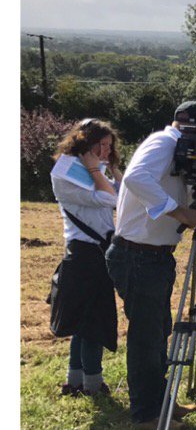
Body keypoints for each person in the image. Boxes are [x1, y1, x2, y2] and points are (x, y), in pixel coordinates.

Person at [105, 101, 196, 430]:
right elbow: (135, 177)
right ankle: (147, 415)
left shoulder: (178, 150)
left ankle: (162, 402)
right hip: (138, 255)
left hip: (154, 256)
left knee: (158, 331)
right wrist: (180, 213)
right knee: (147, 338)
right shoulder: (164, 142)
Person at [49, 119, 123, 397]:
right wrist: (96, 171)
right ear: (83, 144)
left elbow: (122, 192)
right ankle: (93, 384)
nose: (105, 151)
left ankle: (75, 380)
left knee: (85, 322)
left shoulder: (98, 171)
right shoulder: (66, 174)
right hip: (83, 255)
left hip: (97, 252)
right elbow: (111, 200)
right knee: (93, 322)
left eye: (109, 146)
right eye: (100, 145)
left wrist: (110, 169)